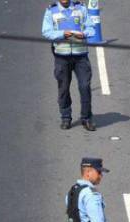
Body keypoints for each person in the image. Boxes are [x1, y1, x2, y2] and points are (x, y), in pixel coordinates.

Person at [42, 0, 96, 131]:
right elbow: (46, 32)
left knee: (85, 86)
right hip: (62, 56)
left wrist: (84, 34)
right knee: (64, 88)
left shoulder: (80, 8)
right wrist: (62, 34)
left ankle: (86, 118)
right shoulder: (51, 11)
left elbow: (91, 28)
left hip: (80, 55)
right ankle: (66, 117)